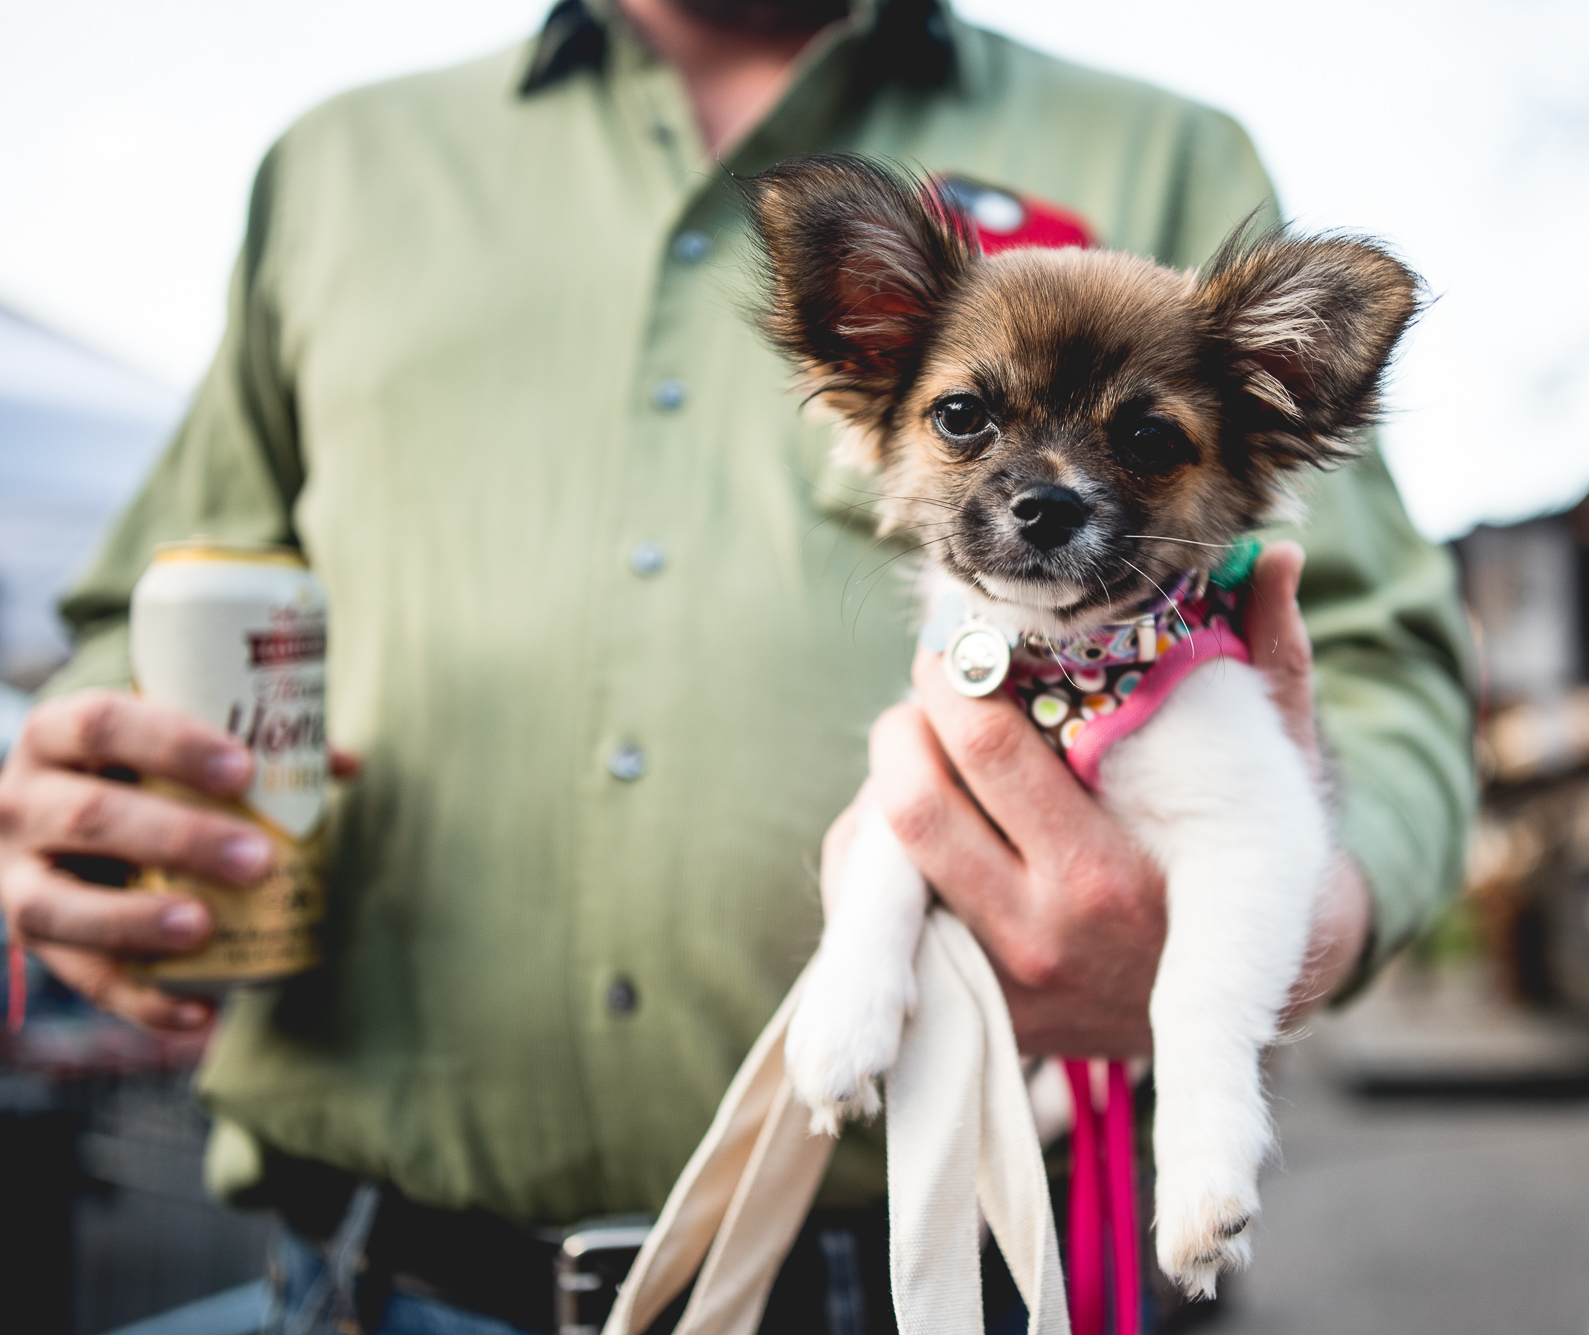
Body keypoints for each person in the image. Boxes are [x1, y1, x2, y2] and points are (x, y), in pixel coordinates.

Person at [0, 0, 1475, 1330]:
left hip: (983, 1278)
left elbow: (1384, 661)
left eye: (1139, 438)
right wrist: (91, 780)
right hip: (381, 1275)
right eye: (971, 422)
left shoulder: (1170, 148)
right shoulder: (332, 168)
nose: (1042, 485)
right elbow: (157, 599)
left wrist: (1293, 924)